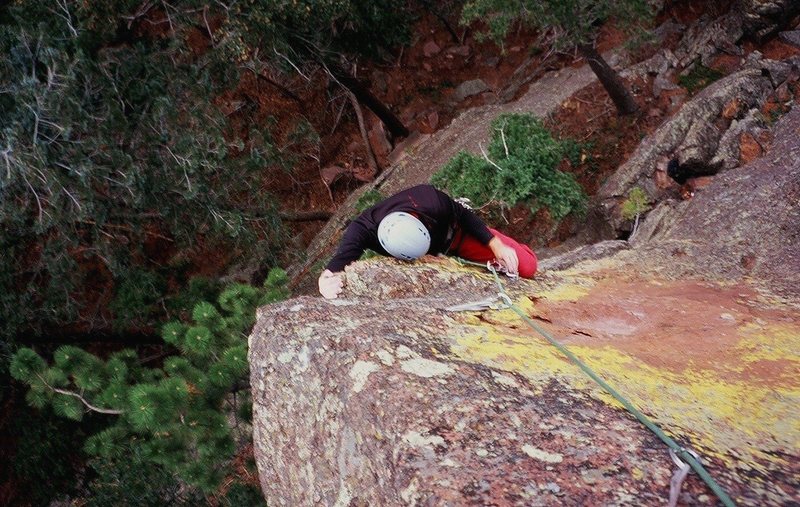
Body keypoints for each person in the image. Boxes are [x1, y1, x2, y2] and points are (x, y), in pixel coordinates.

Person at [318, 184, 538, 299]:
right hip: (437, 253)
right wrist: (324, 284)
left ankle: (518, 248)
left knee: (526, 266)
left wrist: (496, 245)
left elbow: (463, 214)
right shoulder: (364, 229)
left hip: (457, 236)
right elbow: (333, 269)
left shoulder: (430, 201)